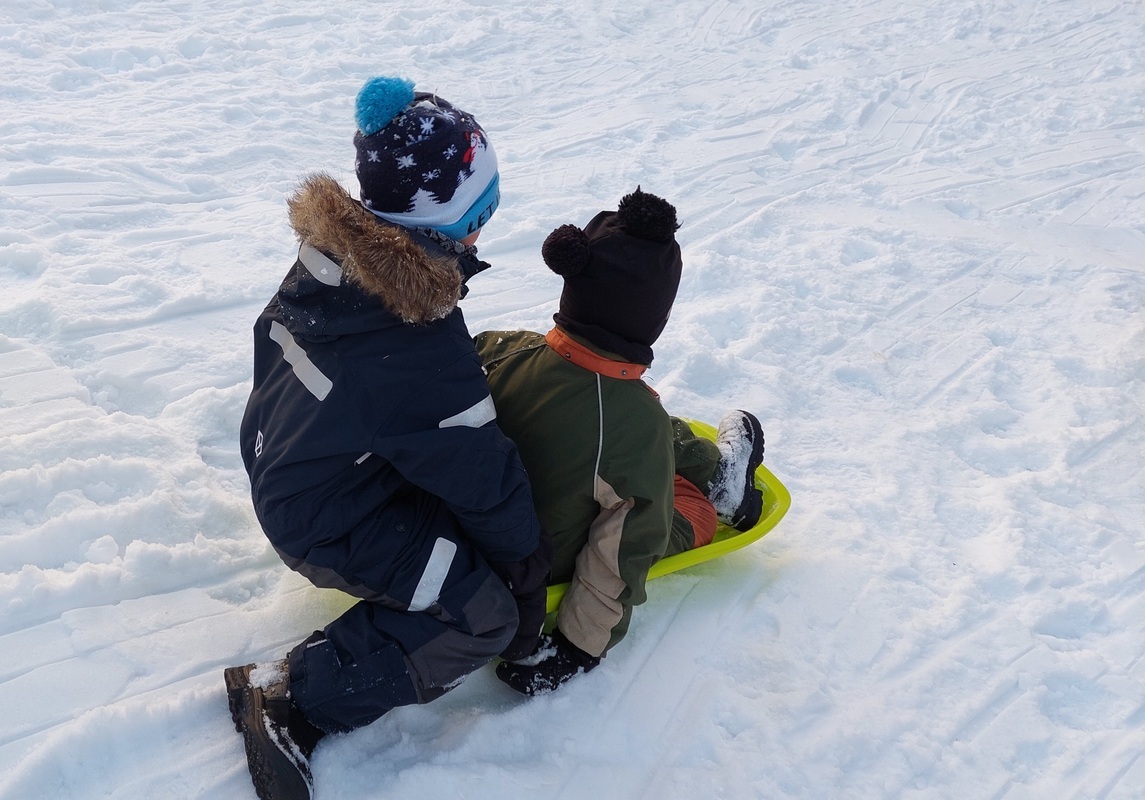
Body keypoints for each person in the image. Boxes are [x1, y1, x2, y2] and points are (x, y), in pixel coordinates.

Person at [224, 76, 551, 800]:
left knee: (460, 539)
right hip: (325, 515)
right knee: (481, 611)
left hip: (291, 457)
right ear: (436, 224)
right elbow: (477, 472)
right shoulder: (412, 338)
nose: (480, 234)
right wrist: (526, 569)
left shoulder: (335, 261)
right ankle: (291, 697)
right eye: (478, 217)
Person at [474, 188, 765, 696]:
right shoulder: (634, 425)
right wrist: (577, 646)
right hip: (553, 557)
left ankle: (713, 470)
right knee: (664, 493)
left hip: (478, 528)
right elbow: (622, 550)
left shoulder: (504, 348)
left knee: (631, 418)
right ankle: (718, 488)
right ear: (656, 315)